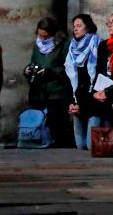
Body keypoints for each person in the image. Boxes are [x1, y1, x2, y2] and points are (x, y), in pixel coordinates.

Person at [24, 17, 71, 147]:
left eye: (46, 37)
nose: (43, 39)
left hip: (57, 91)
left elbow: (68, 68)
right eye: (40, 35)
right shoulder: (37, 46)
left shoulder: (63, 45)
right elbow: (34, 62)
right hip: (40, 91)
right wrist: (28, 70)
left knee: (57, 123)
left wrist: (50, 72)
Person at [64, 14, 101, 150]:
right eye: (74, 27)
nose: (75, 29)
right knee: (80, 146)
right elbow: (69, 78)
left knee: (92, 147)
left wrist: (83, 105)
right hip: (77, 102)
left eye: (79, 26)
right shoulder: (72, 48)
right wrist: (71, 103)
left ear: (88, 27)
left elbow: (98, 79)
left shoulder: (98, 45)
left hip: (92, 103)